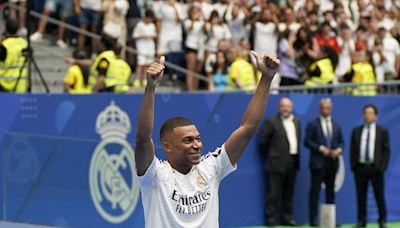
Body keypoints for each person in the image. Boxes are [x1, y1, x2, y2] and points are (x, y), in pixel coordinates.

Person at [135, 51, 280, 227]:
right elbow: (143, 137)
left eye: (198, 139)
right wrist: (150, 88)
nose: (197, 145)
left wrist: (266, 78)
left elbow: (248, 128)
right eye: (188, 140)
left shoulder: (211, 167)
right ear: (167, 147)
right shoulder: (154, 175)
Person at [258, 97, 301, 227]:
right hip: (275, 163)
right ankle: (270, 219)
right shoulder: (271, 122)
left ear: (291, 107)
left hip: (293, 161)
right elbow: (263, 142)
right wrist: (273, 155)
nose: (285, 108)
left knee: (289, 193)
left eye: (288, 106)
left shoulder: (296, 121)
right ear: (279, 107)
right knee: (273, 193)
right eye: (283, 106)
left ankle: (287, 218)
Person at [304, 98, 344, 227]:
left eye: (328, 108)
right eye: (323, 108)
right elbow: (307, 141)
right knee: (315, 191)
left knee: (330, 192)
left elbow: (342, 142)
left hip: (332, 163)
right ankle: (313, 219)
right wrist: (321, 149)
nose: (325, 110)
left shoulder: (336, 124)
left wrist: (338, 150)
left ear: (331, 109)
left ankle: (330, 219)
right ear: (319, 109)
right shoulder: (313, 124)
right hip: (318, 163)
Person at [350, 104, 390, 228]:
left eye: (370, 113)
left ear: (376, 116)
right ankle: (361, 220)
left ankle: (382, 220)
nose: (368, 115)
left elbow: (386, 150)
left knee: (379, 195)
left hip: (376, 168)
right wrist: (354, 166)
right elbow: (353, 150)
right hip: (360, 168)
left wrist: (382, 167)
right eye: (366, 113)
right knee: (361, 196)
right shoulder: (356, 131)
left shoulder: (382, 131)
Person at [0, 19, 28, 93]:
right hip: (20, 85)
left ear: (6, 29)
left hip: (4, 84)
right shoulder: (24, 43)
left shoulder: (4, 45)